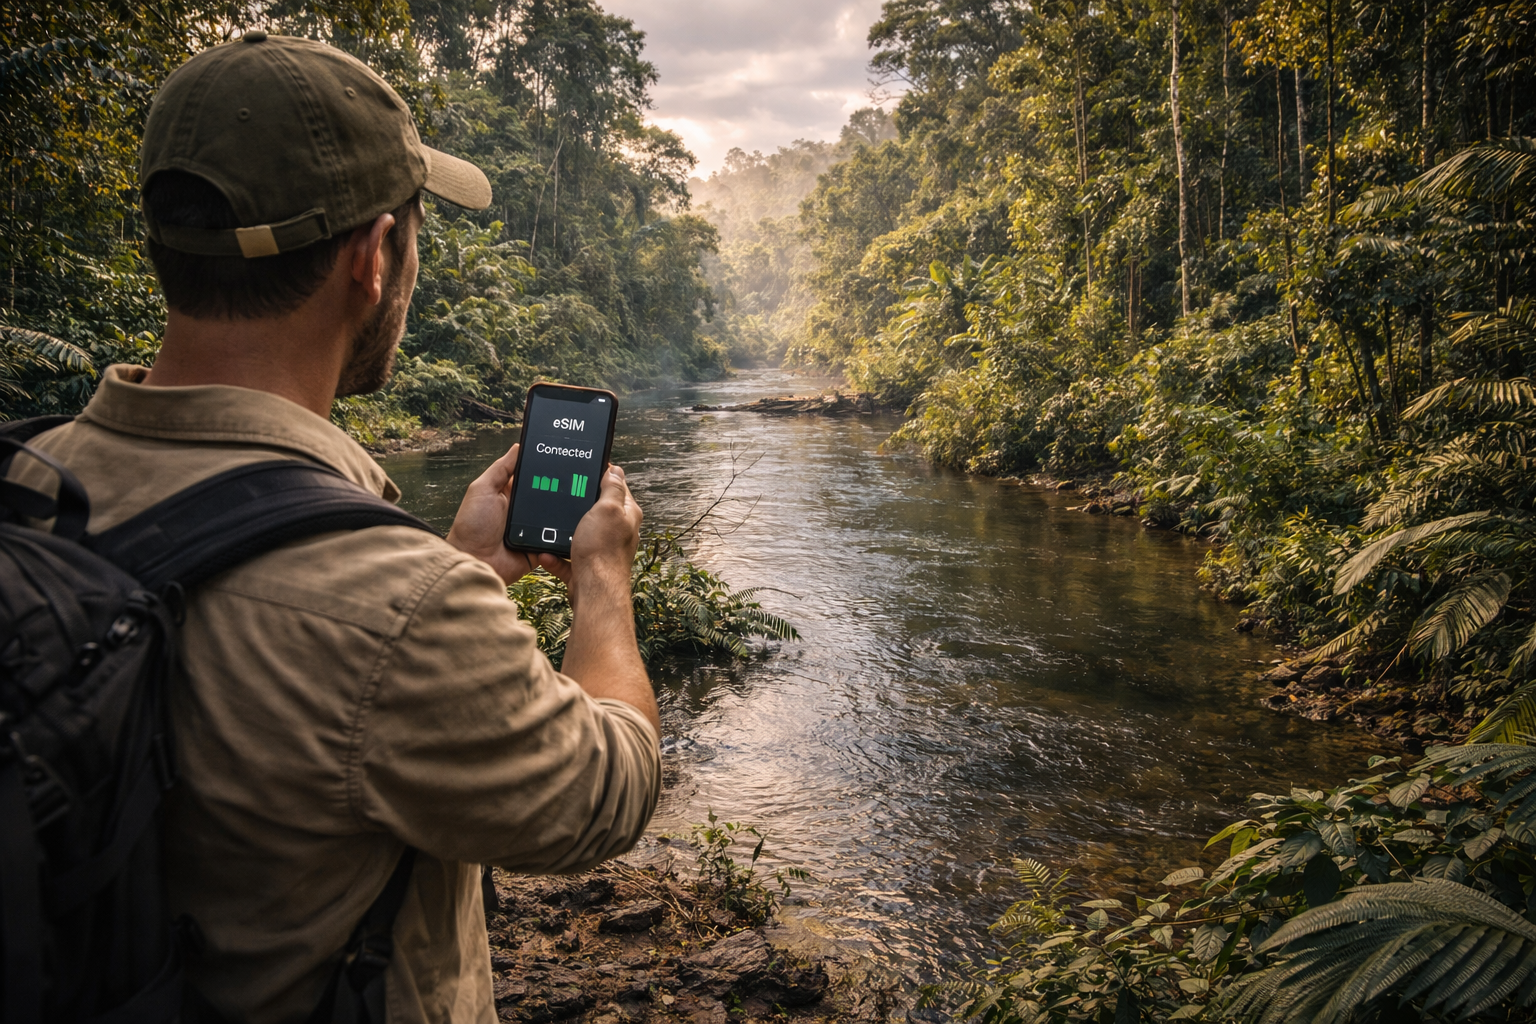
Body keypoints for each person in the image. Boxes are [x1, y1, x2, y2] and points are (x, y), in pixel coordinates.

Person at [17, 32, 661, 1022]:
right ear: (373, 259)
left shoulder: (28, 477)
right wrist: (603, 574)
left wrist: (463, 564)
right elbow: (606, 793)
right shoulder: (394, 608)